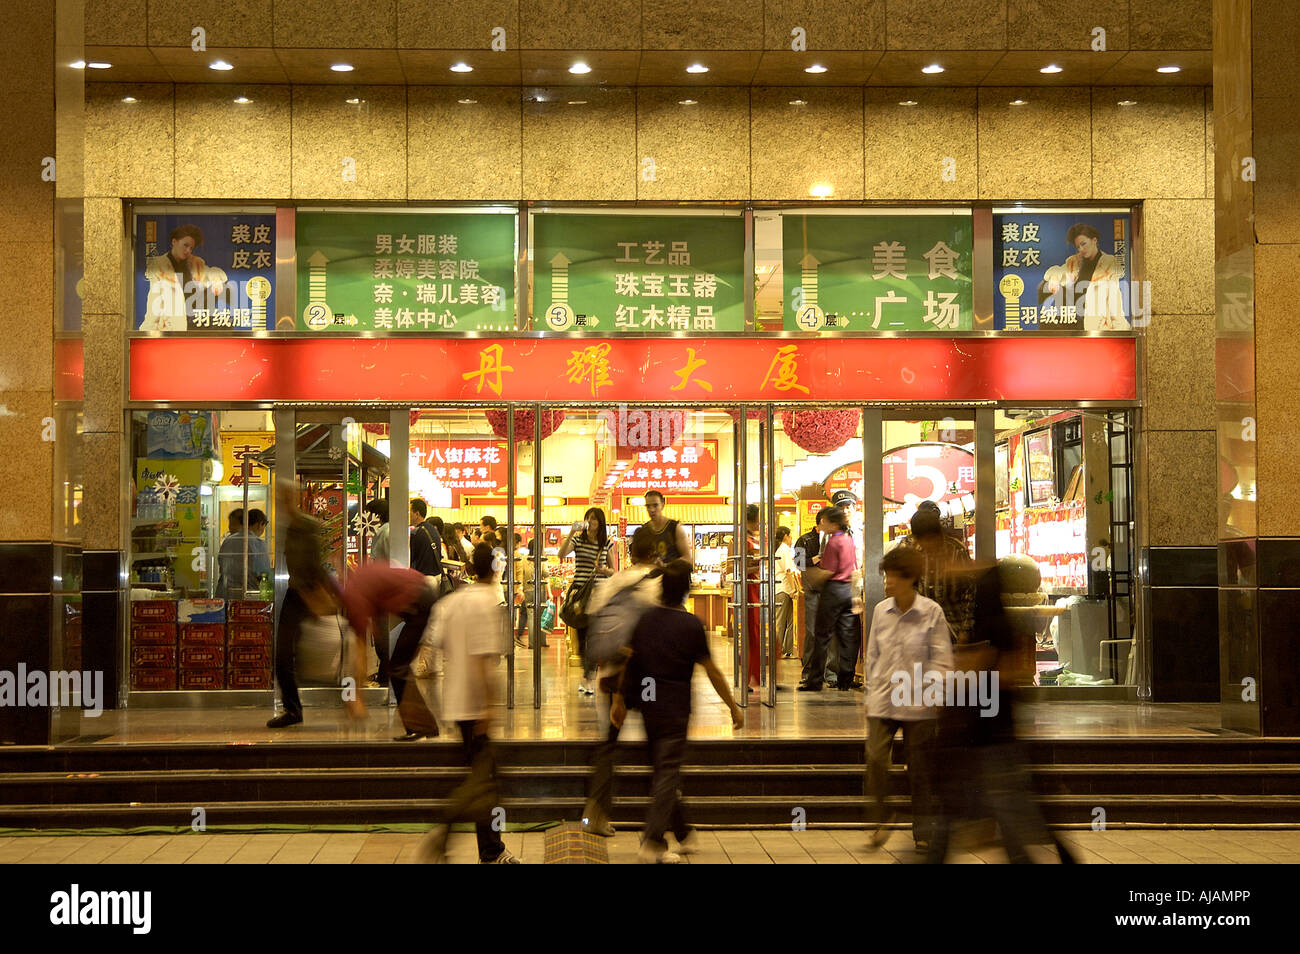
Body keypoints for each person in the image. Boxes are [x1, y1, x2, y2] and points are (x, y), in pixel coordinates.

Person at [612, 560, 743, 863]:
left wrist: (619, 701)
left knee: (662, 770)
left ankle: (683, 832)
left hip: (649, 706)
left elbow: (628, 662)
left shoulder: (644, 621)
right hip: (676, 708)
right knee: (667, 772)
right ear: (686, 591)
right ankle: (653, 840)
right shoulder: (691, 624)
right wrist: (733, 707)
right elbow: (712, 671)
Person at [416, 543, 519, 864]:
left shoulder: (451, 602)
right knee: (484, 782)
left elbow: (427, 655)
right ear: (495, 568)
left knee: (482, 779)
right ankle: (452, 833)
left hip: (455, 705)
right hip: (476, 708)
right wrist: (488, 709)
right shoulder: (489, 602)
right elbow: (482, 659)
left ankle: (489, 849)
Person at [863, 547, 952, 852]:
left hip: (919, 702)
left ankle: (923, 831)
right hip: (884, 699)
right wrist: (869, 691)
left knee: (920, 768)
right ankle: (881, 817)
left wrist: (936, 694)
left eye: (893, 576)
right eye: (886, 575)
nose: (887, 582)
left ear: (910, 578)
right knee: (875, 758)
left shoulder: (931, 612)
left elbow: (942, 659)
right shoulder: (880, 611)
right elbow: (872, 654)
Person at [581, 525, 661, 836]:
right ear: (655, 553)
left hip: (611, 675)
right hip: (647, 678)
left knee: (609, 744)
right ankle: (668, 824)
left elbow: (592, 622)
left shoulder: (612, 581)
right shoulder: (658, 583)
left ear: (629, 552)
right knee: (658, 744)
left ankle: (596, 814)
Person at [341, 563, 438, 741]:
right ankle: (425, 726)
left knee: (397, 669)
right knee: (399, 667)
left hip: (419, 600)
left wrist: (355, 698)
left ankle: (422, 726)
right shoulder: (360, 581)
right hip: (422, 592)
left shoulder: (354, 598)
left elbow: (360, 653)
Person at [268, 479, 336, 729]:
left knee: (294, 653)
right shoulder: (289, 527)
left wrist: (323, 599)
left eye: (285, 495)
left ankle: (349, 698)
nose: (281, 500)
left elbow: (316, 565)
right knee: (283, 655)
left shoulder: (307, 526)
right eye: (278, 496)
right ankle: (293, 709)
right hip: (295, 594)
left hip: (307, 595)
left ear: (294, 497)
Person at [896, 504, 976, 644]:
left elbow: (970, 591)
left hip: (953, 628)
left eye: (930, 539)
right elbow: (906, 585)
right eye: (921, 539)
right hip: (921, 629)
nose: (926, 544)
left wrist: (965, 630)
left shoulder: (956, 551)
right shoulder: (912, 551)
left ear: (938, 533)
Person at [558, 507, 615, 695]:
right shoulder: (578, 540)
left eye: (594, 519)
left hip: (598, 594)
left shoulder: (606, 543)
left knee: (593, 636)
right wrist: (572, 531)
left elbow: (613, 570)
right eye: (588, 519)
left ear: (601, 523)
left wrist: (604, 571)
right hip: (580, 594)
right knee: (581, 636)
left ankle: (590, 678)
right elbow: (561, 554)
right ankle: (587, 675)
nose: (591, 522)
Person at [800, 508, 857, 692]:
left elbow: (826, 570)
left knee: (820, 636)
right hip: (847, 589)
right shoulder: (847, 539)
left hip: (830, 590)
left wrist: (813, 574)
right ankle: (844, 680)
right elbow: (798, 562)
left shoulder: (833, 541)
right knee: (846, 637)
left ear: (826, 521)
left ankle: (814, 679)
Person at [1038, 222, 1127, 331]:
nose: (1081, 249)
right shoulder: (1074, 261)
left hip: (1094, 324)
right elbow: (1056, 271)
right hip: (1071, 319)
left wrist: (1120, 332)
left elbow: (1114, 299)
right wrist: (1054, 279)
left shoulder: (1109, 263)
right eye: (1078, 247)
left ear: (1094, 241)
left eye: (1083, 244)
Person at [141, 224, 230, 331]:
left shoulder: (195, 263)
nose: (188, 250)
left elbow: (210, 272)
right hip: (173, 325)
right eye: (185, 245)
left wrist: (216, 280)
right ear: (174, 242)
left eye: (191, 248)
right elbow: (154, 301)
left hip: (195, 321)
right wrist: (150, 331)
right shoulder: (159, 266)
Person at [720, 503, 762, 693]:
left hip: (753, 586)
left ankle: (753, 675)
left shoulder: (749, 538)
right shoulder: (739, 539)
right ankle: (746, 676)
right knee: (747, 633)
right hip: (745, 588)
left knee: (753, 632)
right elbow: (733, 567)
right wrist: (755, 565)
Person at [795, 513, 837, 689]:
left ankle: (831, 674)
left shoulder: (837, 539)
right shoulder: (804, 540)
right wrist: (815, 558)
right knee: (812, 632)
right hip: (813, 591)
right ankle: (809, 672)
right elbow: (798, 563)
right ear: (822, 521)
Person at [216, 508, 270, 600]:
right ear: (260, 524)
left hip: (224, 595)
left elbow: (221, 564)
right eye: (264, 526)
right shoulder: (258, 543)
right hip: (247, 596)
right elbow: (264, 573)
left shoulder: (228, 540)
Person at [641, 490, 693, 567]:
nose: (652, 510)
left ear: (662, 505)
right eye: (648, 506)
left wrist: (666, 565)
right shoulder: (645, 530)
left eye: (655, 505)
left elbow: (688, 558)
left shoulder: (674, 528)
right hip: (655, 577)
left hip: (674, 577)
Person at [774, 526, 797, 658]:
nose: (791, 538)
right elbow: (789, 571)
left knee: (789, 621)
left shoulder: (782, 549)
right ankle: (777, 650)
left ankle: (787, 650)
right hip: (783, 589)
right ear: (786, 536)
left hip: (784, 590)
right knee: (781, 622)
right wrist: (793, 589)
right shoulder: (784, 549)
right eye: (790, 535)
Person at [408, 498, 443, 582]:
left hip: (423, 578)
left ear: (417, 514)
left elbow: (411, 557)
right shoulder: (433, 529)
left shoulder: (416, 532)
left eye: (410, 512)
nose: (408, 515)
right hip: (437, 576)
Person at [366, 499, 390, 564]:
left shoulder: (387, 533)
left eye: (368, 514)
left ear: (378, 516)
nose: (366, 518)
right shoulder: (380, 532)